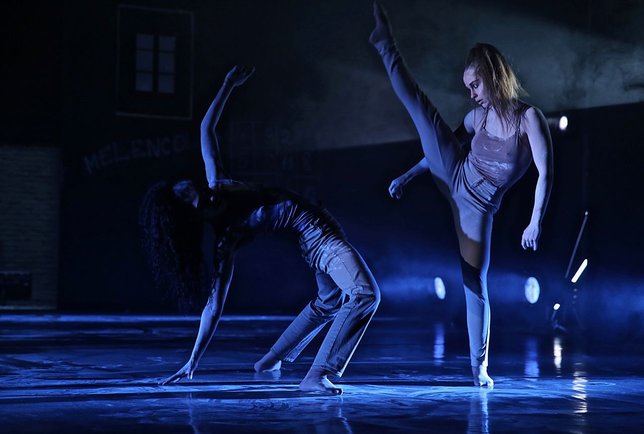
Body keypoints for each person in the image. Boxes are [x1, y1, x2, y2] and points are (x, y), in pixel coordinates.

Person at [140, 65, 380, 395]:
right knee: (365, 294)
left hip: (316, 231)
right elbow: (213, 307)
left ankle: (269, 361)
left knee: (330, 301)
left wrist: (227, 83)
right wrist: (192, 361)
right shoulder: (226, 237)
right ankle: (317, 375)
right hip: (317, 239)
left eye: (192, 186)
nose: (201, 190)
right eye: (191, 196)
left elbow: (206, 129)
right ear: (191, 213)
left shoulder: (217, 184)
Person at [369, 2, 553, 388]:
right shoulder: (477, 118)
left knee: (474, 284)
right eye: (467, 87)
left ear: (493, 76)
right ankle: (386, 44)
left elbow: (545, 173)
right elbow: (439, 147)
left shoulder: (529, 119)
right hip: (455, 174)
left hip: (479, 209)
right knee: (422, 110)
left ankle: (478, 368)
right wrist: (407, 176)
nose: (471, 94)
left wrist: (535, 220)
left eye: (475, 85)